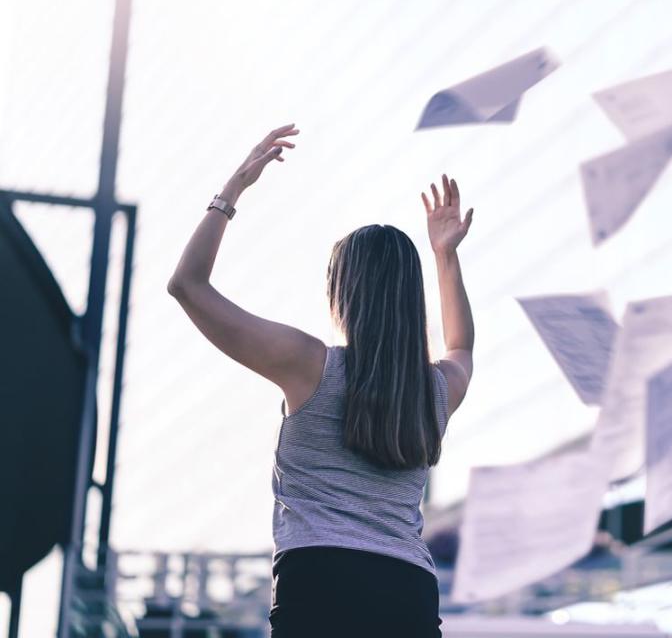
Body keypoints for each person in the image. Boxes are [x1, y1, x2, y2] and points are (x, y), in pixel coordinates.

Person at [166, 124, 475, 636]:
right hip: (407, 592)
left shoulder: (309, 363)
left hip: (318, 579)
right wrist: (446, 256)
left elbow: (187, 285)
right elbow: (461, 346)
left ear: (342, 293)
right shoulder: (435, 391)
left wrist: (233, 189)